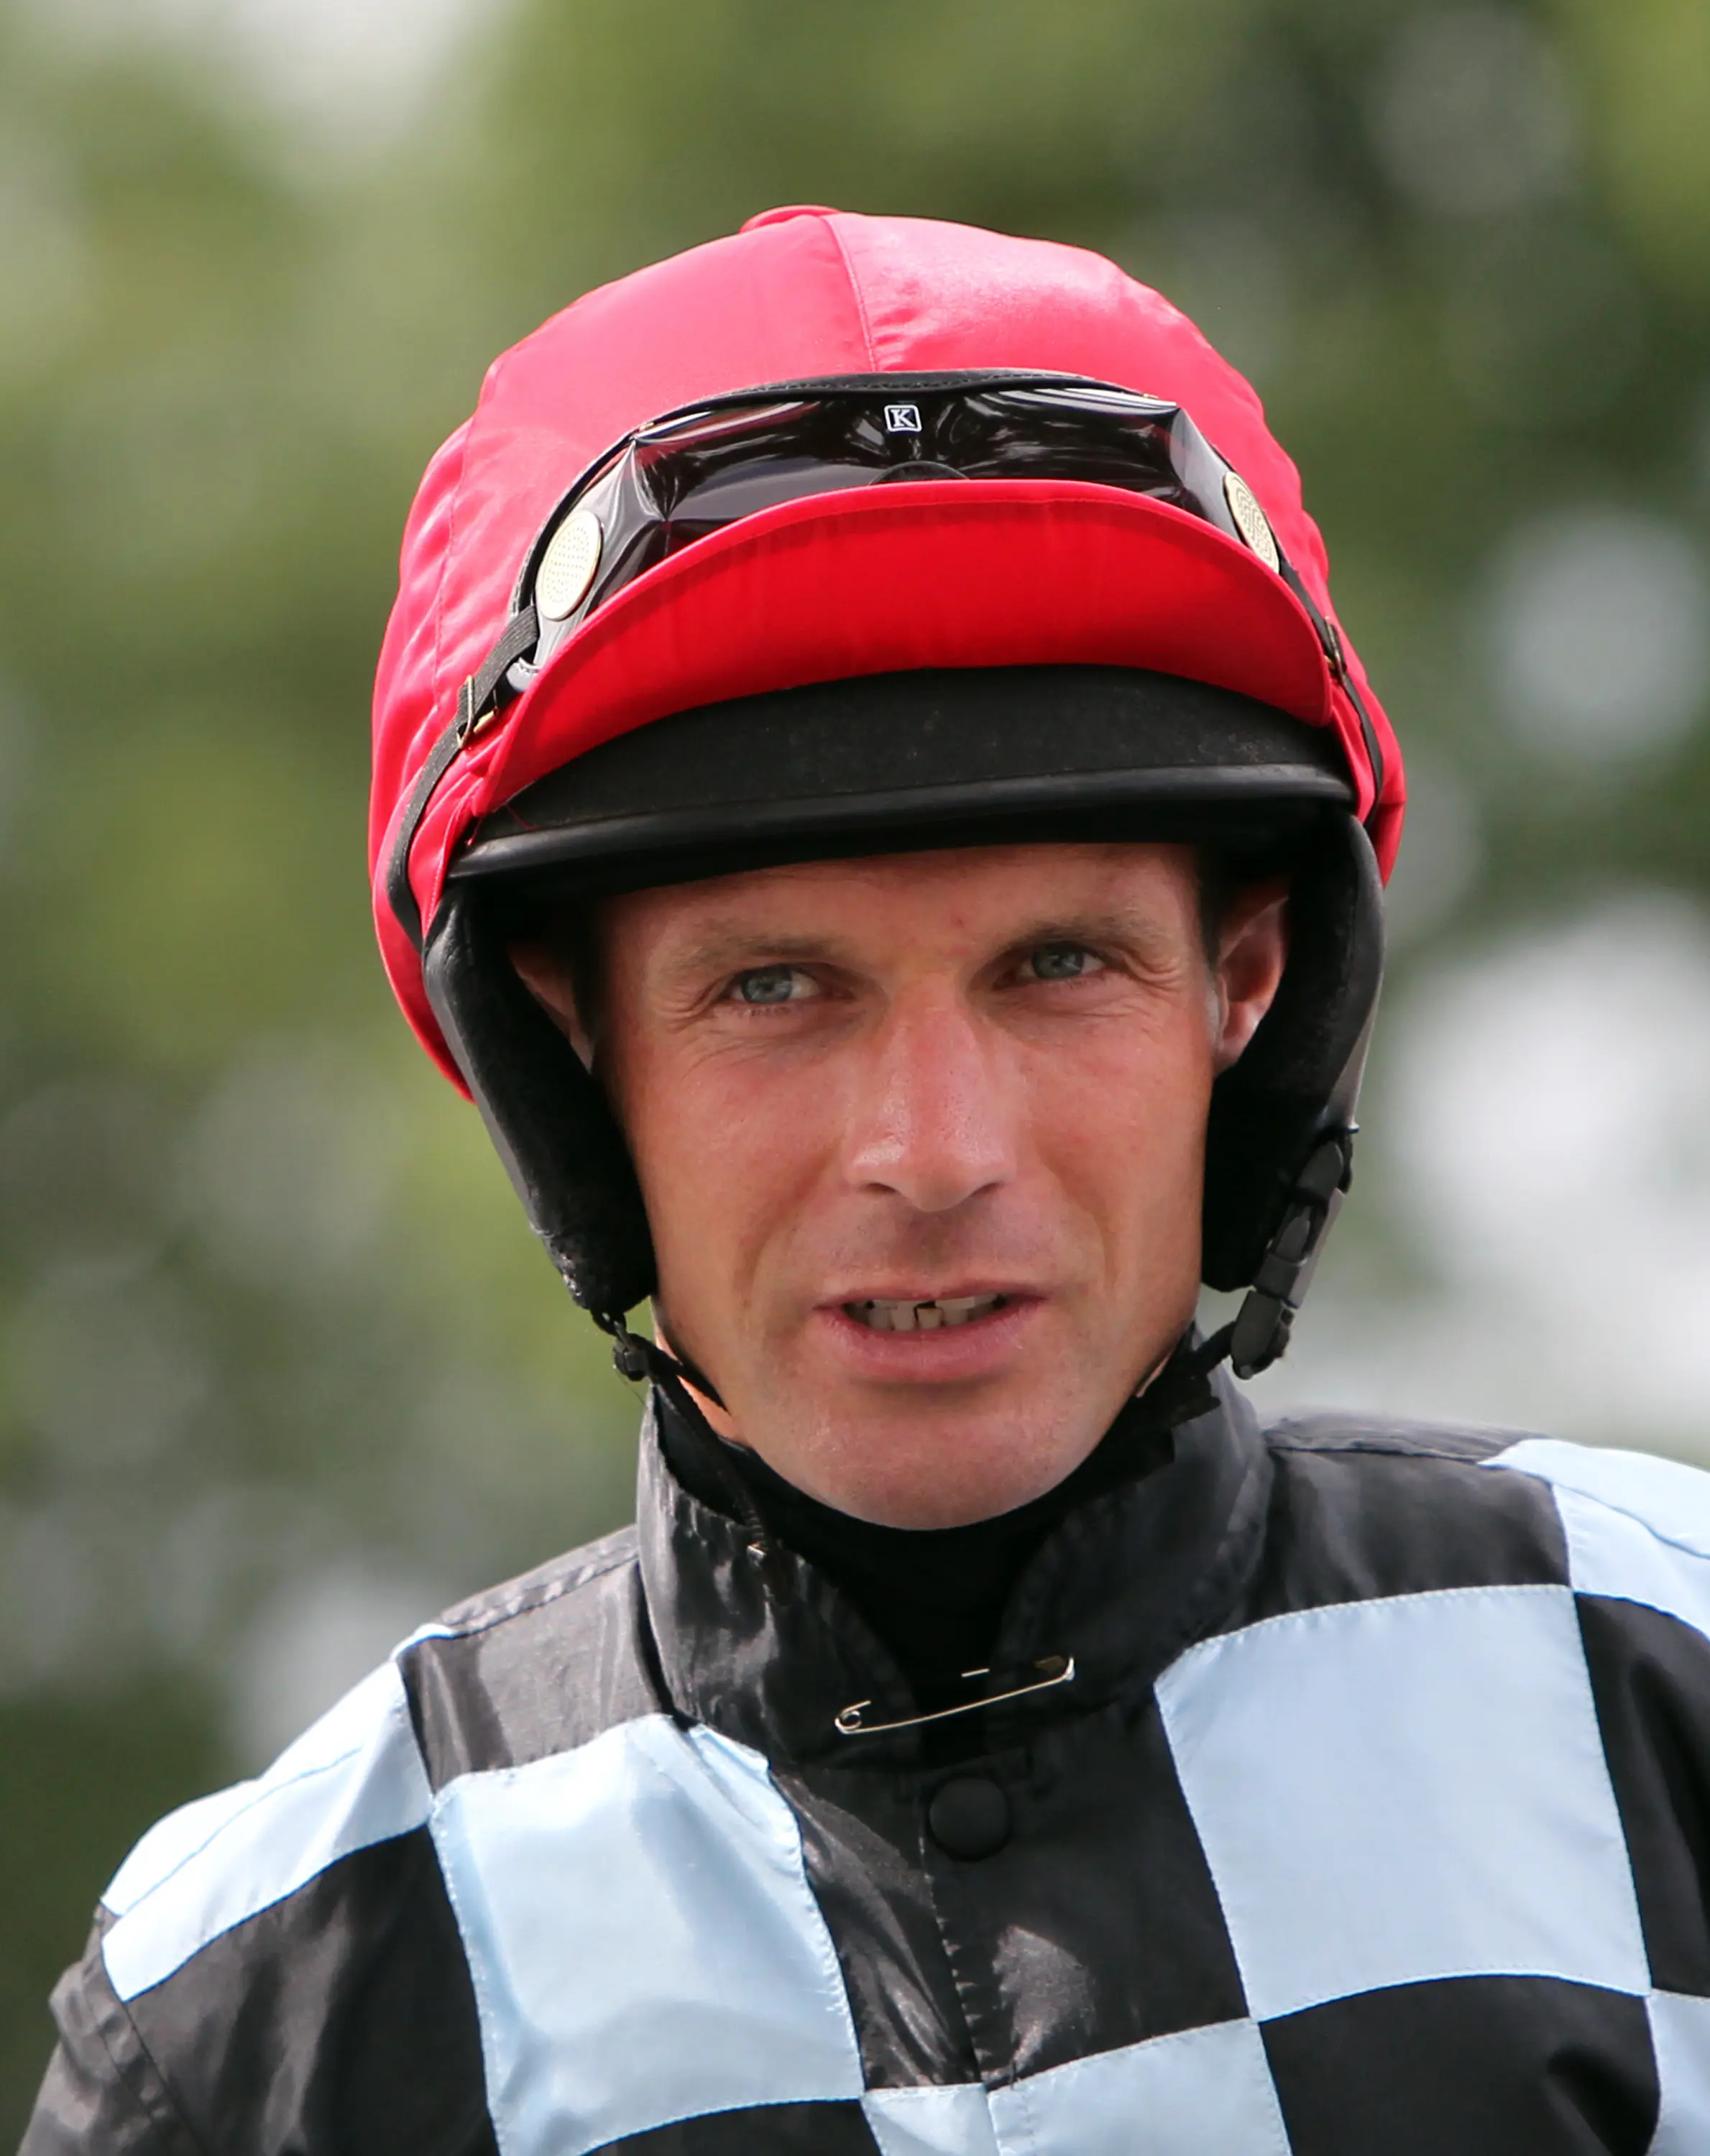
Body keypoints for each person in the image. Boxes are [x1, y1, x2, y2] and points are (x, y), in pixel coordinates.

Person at [22, 207, 1710, 2156]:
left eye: (1058, 965)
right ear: (569, 1053)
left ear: (1247, 983)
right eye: (775, 989)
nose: (934, 1152)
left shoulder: (1666, 1696)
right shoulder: (255, 2011)